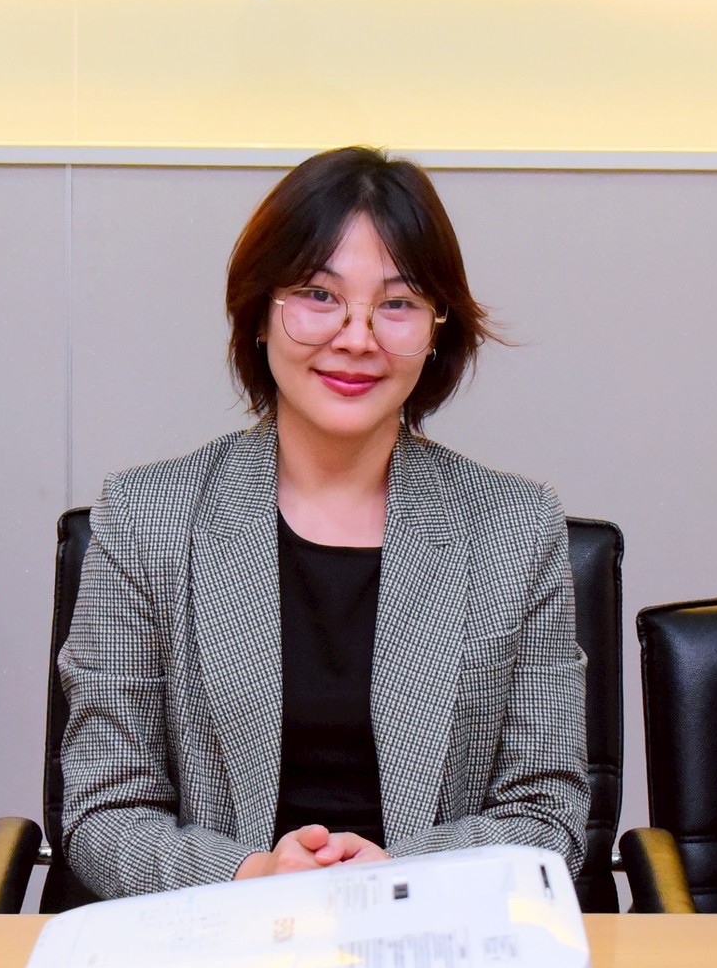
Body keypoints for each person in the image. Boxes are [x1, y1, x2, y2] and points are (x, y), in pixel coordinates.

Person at [56, 146, 588, 899]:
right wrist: (253, 876)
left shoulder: (515, 529)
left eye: (398, 304)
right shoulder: (147, 518)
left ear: (437, 329)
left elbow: (548, 813)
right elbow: (103, 809)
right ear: (259, 315)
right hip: (220, 939)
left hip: (431, 937)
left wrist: (400, 878)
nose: (356, 337)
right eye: (317, 294)